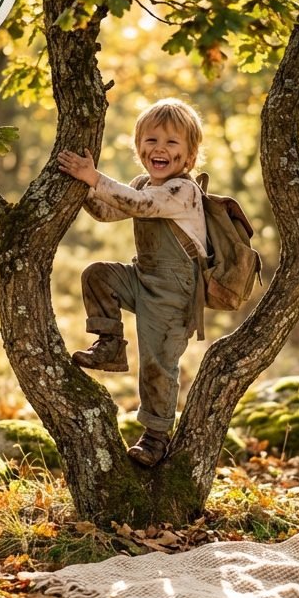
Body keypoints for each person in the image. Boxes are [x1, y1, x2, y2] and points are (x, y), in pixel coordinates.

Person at [58, 98, 207, 467]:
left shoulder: (183, 191)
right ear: (138, 147)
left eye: (172, 143)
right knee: (98, 275)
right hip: (143, 278)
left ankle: (156, 437)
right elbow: (111, 210)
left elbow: (140, 205)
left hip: (174, 295)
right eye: (151, 140)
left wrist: (94, 178)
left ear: (189, 156)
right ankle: (109, 343)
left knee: (157, 364)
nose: (160, 149)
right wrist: (80, 189)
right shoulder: (142, 182)